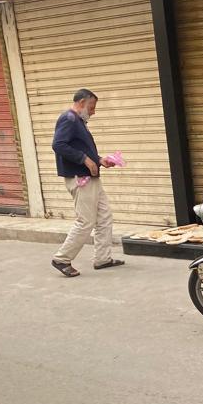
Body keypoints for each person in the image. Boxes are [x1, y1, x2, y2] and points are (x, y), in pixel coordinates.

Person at [50, 89, 123, 277]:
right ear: (82, 103)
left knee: (104, 216)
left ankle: (103, 258)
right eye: (92, 107)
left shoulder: (79, 122)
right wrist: (84, 159)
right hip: (81, 179)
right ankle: (62, 259)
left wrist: (99, 160)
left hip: (91, 178)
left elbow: (82, 149)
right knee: (86, 221)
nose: (93, 112)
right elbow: (58, 144)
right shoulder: (69, 119)